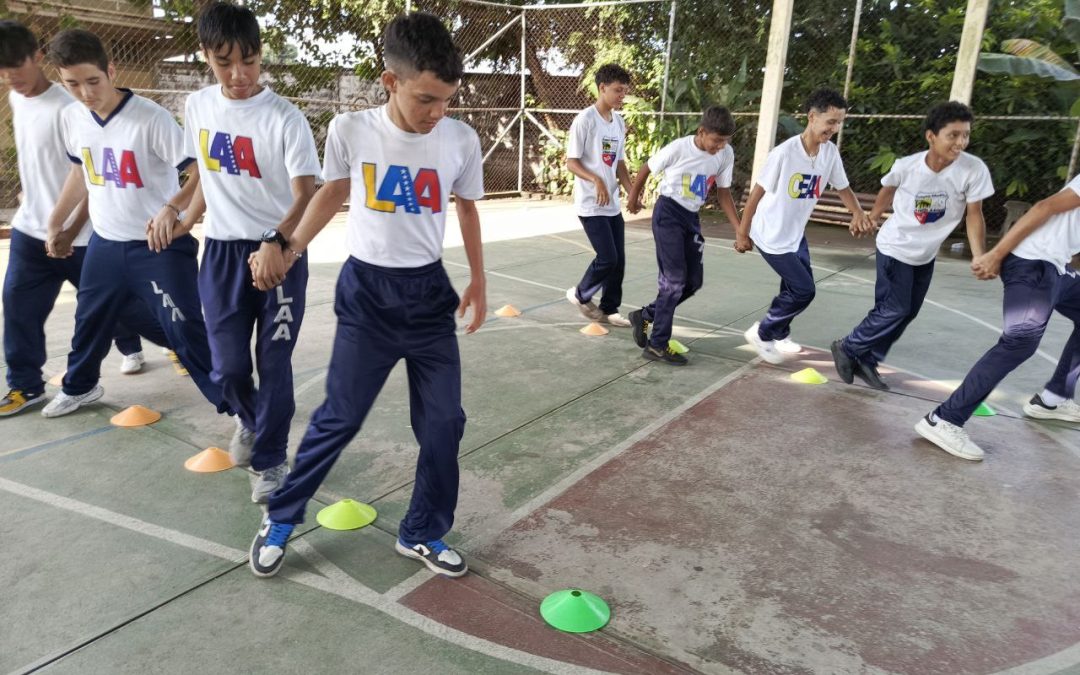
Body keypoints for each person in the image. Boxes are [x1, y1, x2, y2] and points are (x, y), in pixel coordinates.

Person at [249, 12, 486, 579]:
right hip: (368, 293)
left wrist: (477, 277)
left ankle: (422, 531)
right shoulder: (352, 130)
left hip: (429, 292)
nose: (437, 113)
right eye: (426, 99)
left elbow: (468, 206)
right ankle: (281, 517)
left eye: (447, 100)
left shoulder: (459, 138)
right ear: (390, 81)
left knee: (444, 422)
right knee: (340, 417)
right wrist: (290, 246)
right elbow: (332, 193)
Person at [39, 29, 231, 422]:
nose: (85, 92)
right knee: (90, 318)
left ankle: (237, 404)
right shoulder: (73, 117)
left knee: (184, 329)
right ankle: (80, 386)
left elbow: (201, 175)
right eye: (72, 84)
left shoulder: (151, 119)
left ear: (110, 70)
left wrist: (173, 210)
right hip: (105, 244)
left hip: (157, 244)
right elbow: (83, 174)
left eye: (93, 81)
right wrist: (60, 223)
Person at [182, 1, 321, 502]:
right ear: (206, 57)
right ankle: (249, 418)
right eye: (224, 62)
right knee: (228, 367)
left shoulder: (285, 118)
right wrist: (182, 213)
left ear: (262, 56)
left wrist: (276, 241)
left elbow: (306, 193)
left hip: (279, 254)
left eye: (249, 60)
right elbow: (205, 175)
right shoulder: (196, 106)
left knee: (275, 361)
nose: (239, 74)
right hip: (220, 254)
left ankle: (271, 460)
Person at [0, 20, 151, 417]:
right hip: (32, 229)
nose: (13, 80)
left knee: (125, 309)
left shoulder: (72, 105)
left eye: (18, 69)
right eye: (3, 74)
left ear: (38, 58)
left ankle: (183, 345)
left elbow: (90, 174)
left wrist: (68, 229)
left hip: (84, 237)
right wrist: (32, 196)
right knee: (17, 305)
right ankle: (25, 386)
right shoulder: (18, 99)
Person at [916, 174, 1080, 461]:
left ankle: (1053, 399)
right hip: (1033, 261)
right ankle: (944, 420)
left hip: (1055, 267)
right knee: (1021, 341)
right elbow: (1043, 207)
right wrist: (995, 254)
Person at [831, 102, 993, 390]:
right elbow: (888, 189)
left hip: (925, 254)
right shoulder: (907, 166)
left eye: (965, 135)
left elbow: (974, 213)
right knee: (894, 308)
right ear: (931, 136)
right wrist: (873, 217)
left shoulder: (973, 169)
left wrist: (980, 254)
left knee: (907, 311)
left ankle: (868, 358)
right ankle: (848, 345)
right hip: (896, 247)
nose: (961, 143)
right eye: (953, 135)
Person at [736, 88, 874, 363]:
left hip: (794, 234)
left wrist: (858, 212)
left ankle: (780, 332)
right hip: (770, 234)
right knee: (804, 289)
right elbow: (756, 195)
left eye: (839, 123)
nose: (834, 128)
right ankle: (763, 333)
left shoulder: (829, 153)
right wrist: (742, 233)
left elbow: (843, 187)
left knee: (793, 285)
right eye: (830, 122)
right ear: (812, 117)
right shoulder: (784, 153)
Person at [626, 105, 740, 365]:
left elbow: (723, 193)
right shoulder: (679, 148)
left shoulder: (725, 154)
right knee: (673, 281)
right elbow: (646, 168)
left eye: (725, 141)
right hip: (668, 214)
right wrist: (633, 196)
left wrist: (740, 229)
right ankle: (657, 345)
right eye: (716, 140)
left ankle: (645, 315)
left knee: (692, 283)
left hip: (691, 218)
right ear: (702, 132)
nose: (720, 146)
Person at [564, 63, 634, 327]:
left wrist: (631, 192)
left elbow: (619, 163)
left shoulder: (618, 121)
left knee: (619, 261)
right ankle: (580, 294)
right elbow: (571, 162)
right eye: (617, 90)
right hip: (591, 204)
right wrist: (595, 180)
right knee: (608, 257)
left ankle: (610, 308)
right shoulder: (585, 120)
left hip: (612, 204)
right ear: (602, 88)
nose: (621, 96)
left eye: (624, 91)